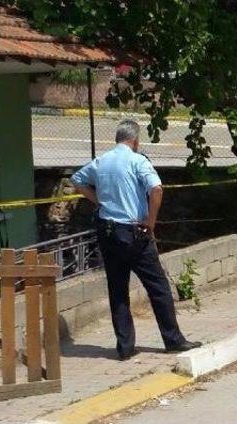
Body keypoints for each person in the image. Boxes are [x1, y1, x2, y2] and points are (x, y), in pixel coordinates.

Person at [71, 120, 201, 360]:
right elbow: (157, 189)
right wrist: (150, 222)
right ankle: (173, 340)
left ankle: (125, 347)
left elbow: (77, 179)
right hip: (134, 232)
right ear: (135, 140)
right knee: (158, 287)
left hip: (108, 232)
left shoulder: (101, 162)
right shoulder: (138, 160)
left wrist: (97, 201)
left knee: (118, 289)